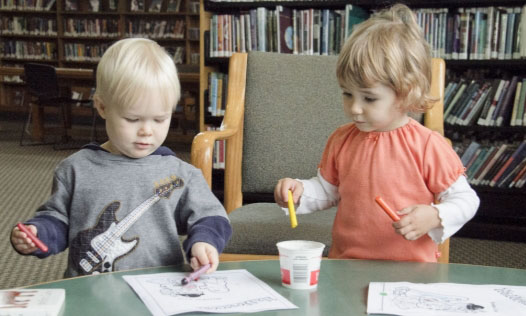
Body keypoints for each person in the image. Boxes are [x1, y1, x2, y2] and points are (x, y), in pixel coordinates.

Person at [274, 4, 479, 262]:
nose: (355, 108)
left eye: (369, 99)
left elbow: (466, 200)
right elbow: (328, 191)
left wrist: (435, 215)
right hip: (346, 264)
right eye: (347, 94)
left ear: (406, 94)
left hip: (410, 273)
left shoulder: (428, 145)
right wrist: (299, 192)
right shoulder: (341, 139)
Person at [10, 38, 232, 277]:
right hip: (91, 290)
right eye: (133, 119)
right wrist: (39, 232)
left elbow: (211, 216)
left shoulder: (181, 173)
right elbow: (58, 219)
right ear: (102, 107)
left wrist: (204, 241)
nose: (147, 130)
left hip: (158, 289)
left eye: (159, 119)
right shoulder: (75, 168)